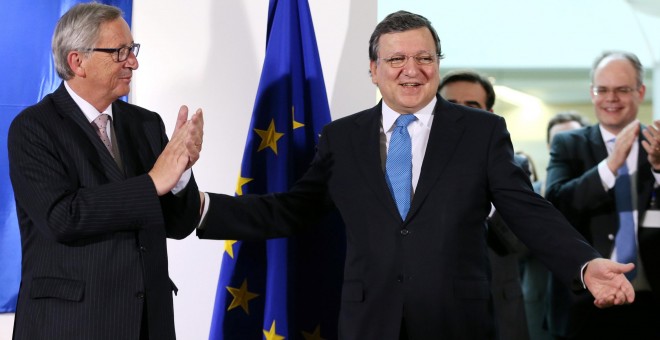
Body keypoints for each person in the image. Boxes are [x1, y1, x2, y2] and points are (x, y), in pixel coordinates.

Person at [197, 11, 634, 339]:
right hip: (369, 324)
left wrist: (583, 263)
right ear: (373, 69)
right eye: (397, 59)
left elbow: (527, 210)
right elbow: (290, 210)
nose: (412, 69)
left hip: (456, 323)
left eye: (424, 57)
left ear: (437, 64)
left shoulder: (481, 131)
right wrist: (199, 206)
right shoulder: (342, 138)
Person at [7, 3, 204, 340]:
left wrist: (181, 171)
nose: (133, 62)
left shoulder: (145, 124)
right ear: (77, 61)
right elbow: (62, 217)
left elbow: (180, 224)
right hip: (70, 325)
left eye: (132, 49)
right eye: (120, 52)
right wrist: (152, 182)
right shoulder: (33, 128)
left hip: (147, 324)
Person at [545, 51, 660, 339]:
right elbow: (556, 205)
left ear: (640, 92)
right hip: (586, 302)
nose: (612, 98)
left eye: (622, 90)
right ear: (592, 93)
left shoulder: (657, 145)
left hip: (651, 300)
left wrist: (658, 169)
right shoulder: (568, 144)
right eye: (603, 90)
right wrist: (610, 166)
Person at [438, 70, 529, 340]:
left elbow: (521, 243)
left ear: (489, 114)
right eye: (451, 105)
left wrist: (486, 203)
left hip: (497, 313)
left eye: (472, 107)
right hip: (430, 314)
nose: (460, 114)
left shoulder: (515, 168)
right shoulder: (406, 166)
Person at [519, 111, 588, 340]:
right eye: (559, 139)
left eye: (573, 136)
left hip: (588, 301)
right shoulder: (526, 192)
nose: (566, 143)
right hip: (539, 303)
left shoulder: (599, 191)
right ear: (550, 145)